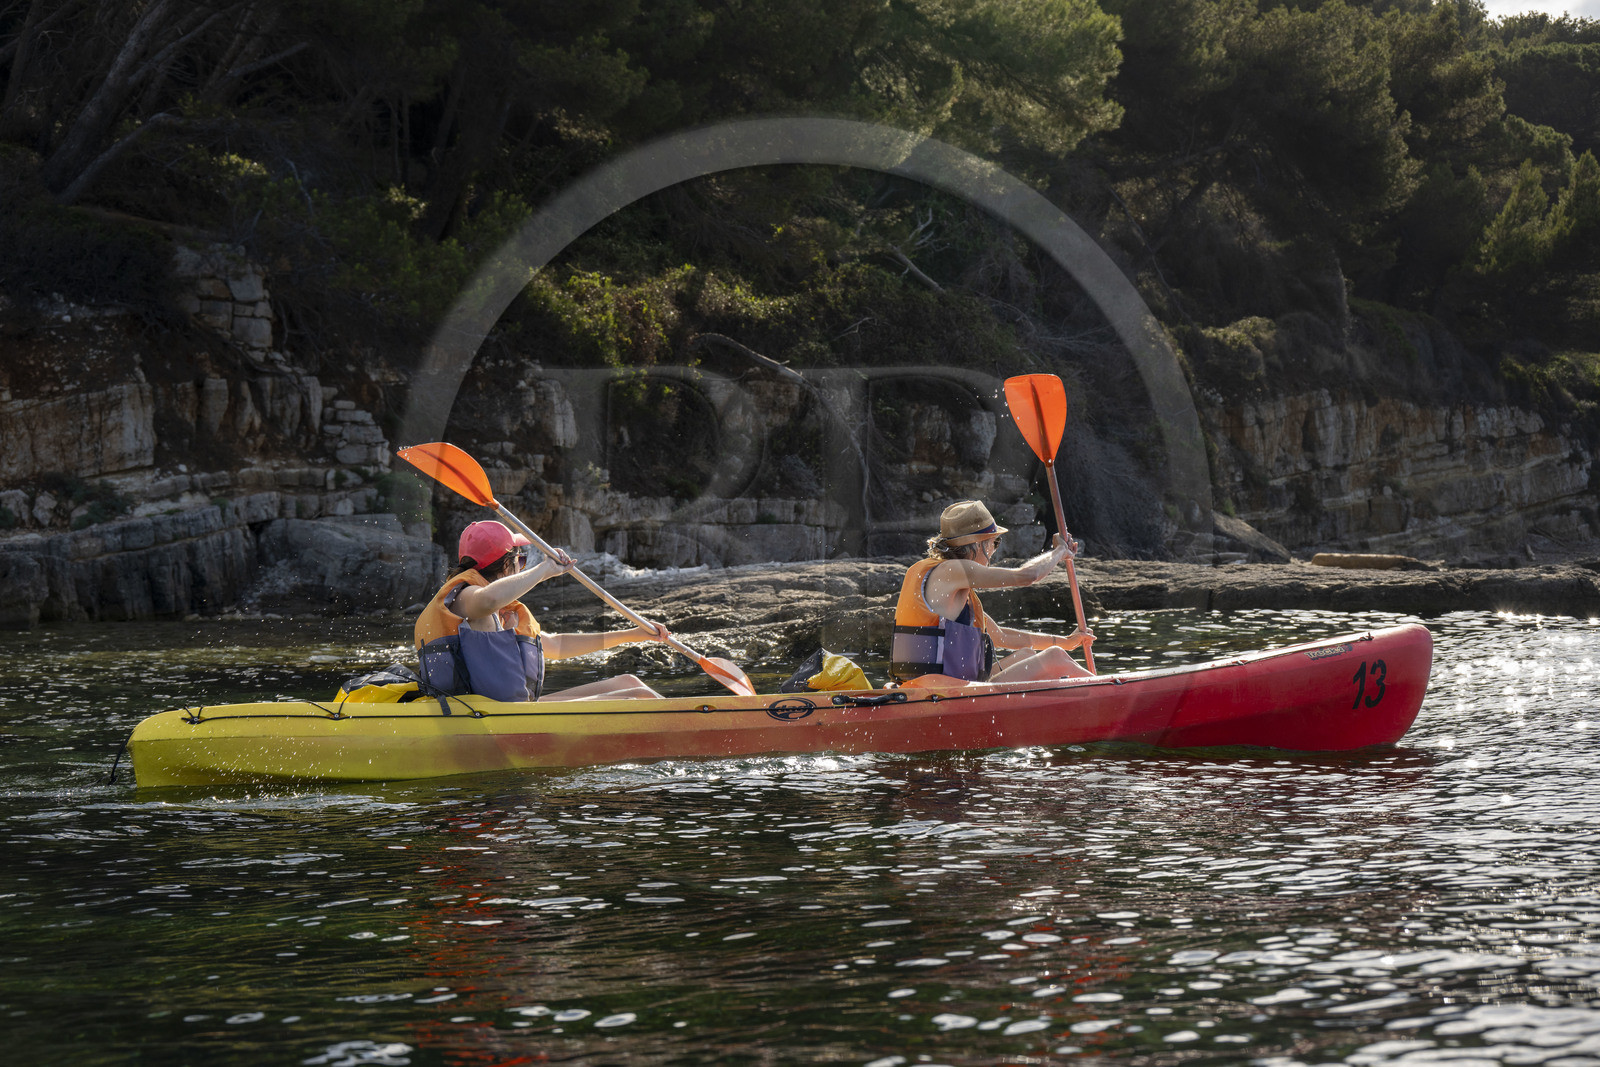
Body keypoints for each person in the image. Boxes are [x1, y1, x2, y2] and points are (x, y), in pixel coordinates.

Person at [414, 520, 670, 702]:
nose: (521, 566)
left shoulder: (496, 613)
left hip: (509, 713)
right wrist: (543, 571)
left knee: (630, 683)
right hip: (489, 718)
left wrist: (633, 634)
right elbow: (488, 598)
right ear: (505, 564)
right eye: (519, 560)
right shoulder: (465, 598)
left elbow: (556, 646)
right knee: (641, 697)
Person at [890, 500, 1094, 685]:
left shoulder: (953, 589)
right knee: (1054, 658)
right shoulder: (952, 570)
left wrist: (1067, 642)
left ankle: (1097, 693)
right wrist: (1059, 552)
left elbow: (1003, 636)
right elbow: (1027, 576)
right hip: (936, 695)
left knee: (1026, 655)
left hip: (941, 689)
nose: (994, 550)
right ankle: (1114, 693)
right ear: (979, 544)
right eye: (994, 543)